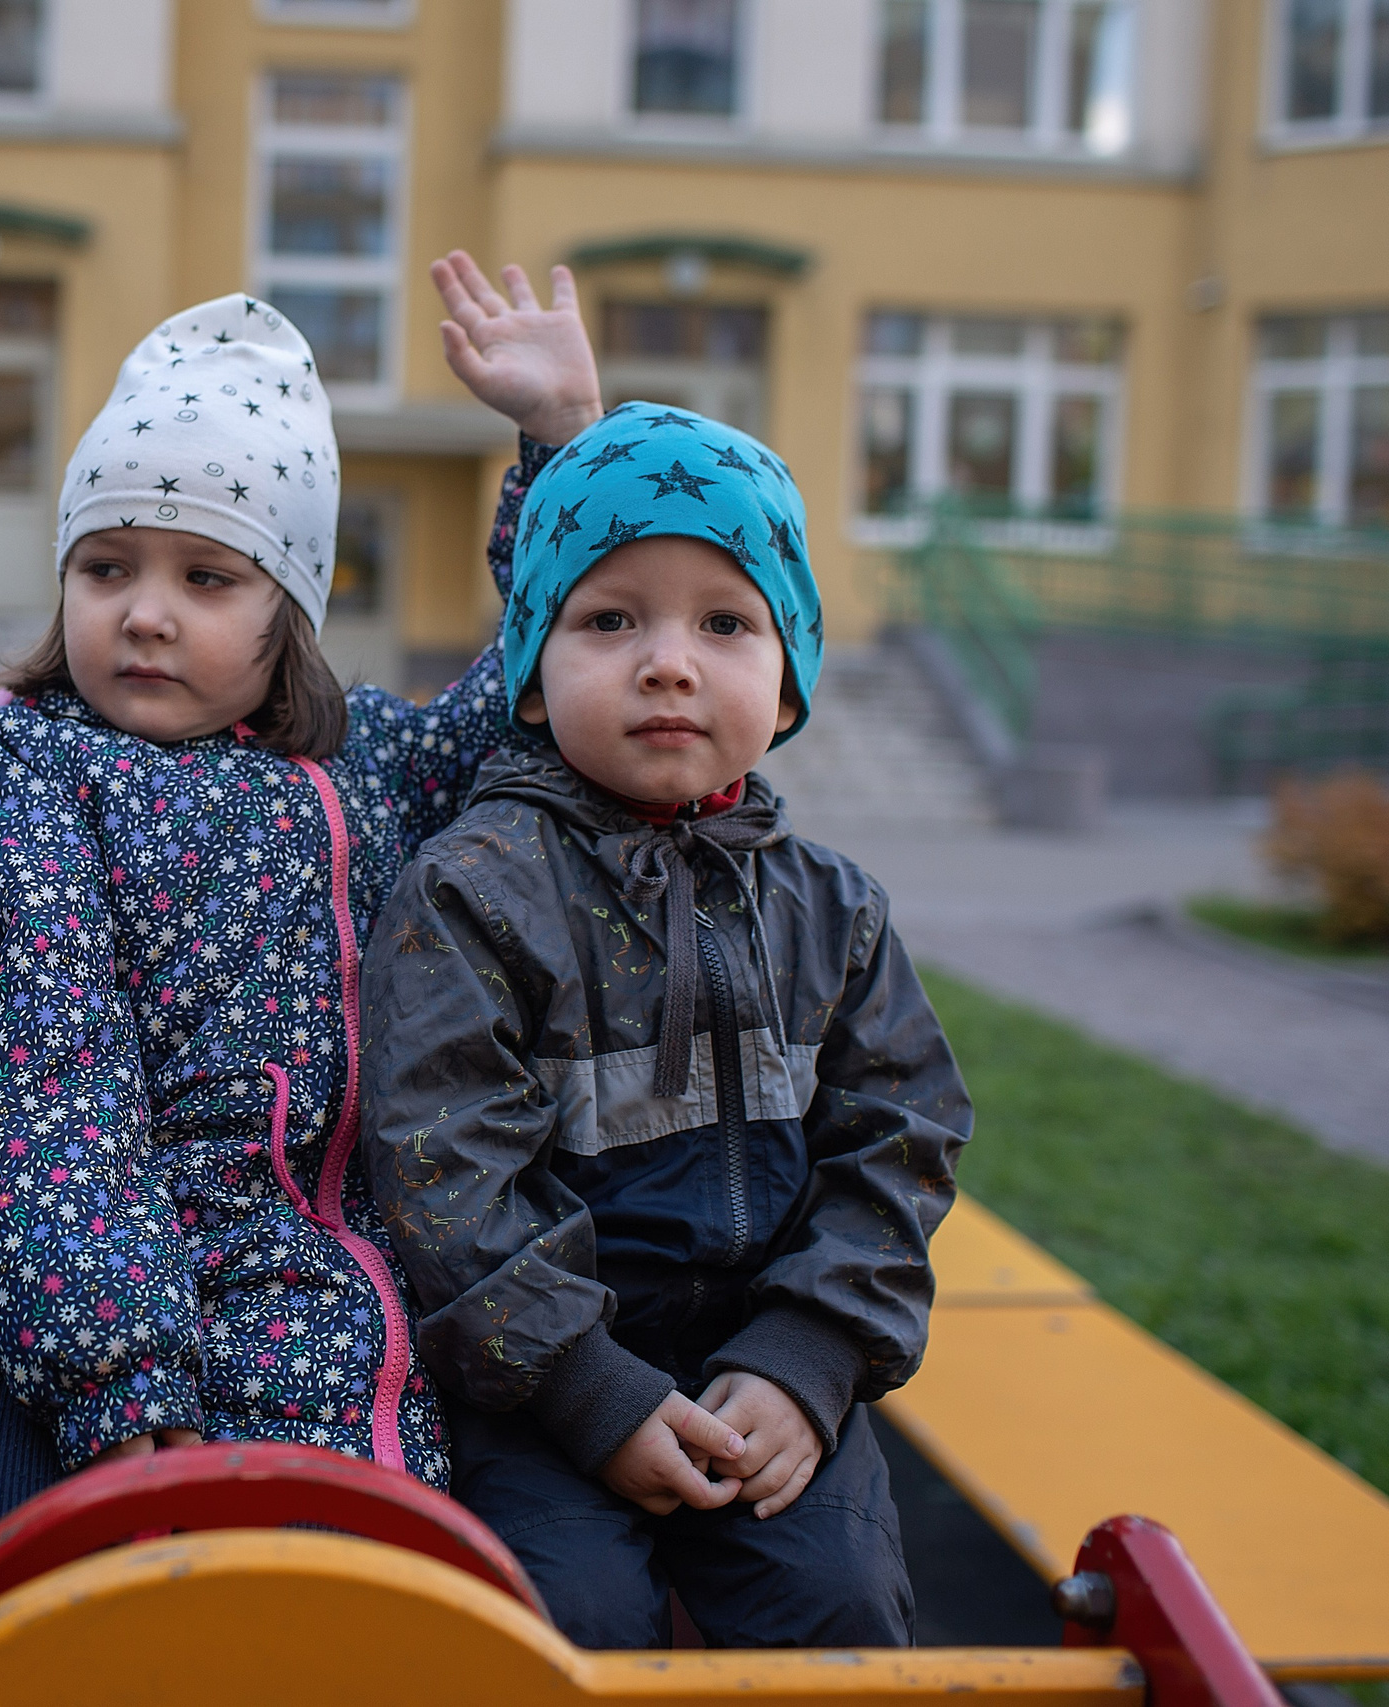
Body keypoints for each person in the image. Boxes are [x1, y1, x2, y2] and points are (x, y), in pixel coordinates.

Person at [0, 261, 593, 1564]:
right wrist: (117, 1363)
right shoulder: (39, 759)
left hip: (331, 1296)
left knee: (361, 1596)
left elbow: (541, 683)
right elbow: (57, 1050)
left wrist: (558, 447)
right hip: (76, 1289)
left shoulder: (370, 766)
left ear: (293, 613)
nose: (144, 611)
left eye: (208, 577)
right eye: (106, 565)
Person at [356, 381, 973, 1650]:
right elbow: (442, 1175)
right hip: (538, 1383)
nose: (669, 661)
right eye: (610, 618)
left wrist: (811, 1358)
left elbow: (899, 1142)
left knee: (842, 1612)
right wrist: (587, 1390)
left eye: (727, 622)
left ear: (789, 679)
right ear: (530, 675)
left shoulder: (832, 911)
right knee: (564, 1622)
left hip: (771, 1363)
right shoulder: (475, 893)